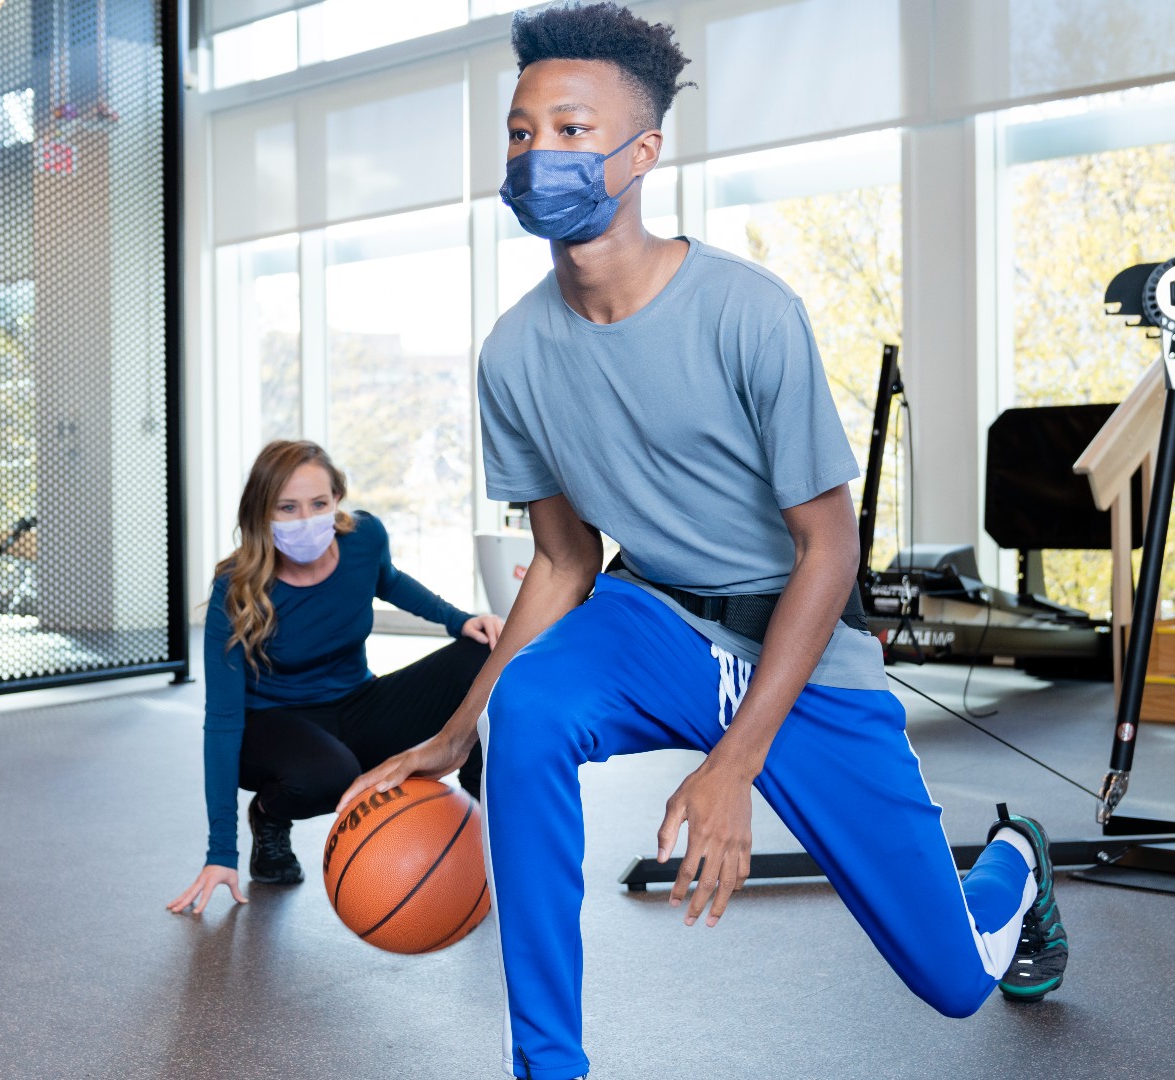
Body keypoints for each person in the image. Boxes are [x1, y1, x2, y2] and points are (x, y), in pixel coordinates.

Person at [336, 5, 1070, 1078]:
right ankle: (550, 1066)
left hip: (799, 647)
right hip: (657, 618)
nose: (540, 152)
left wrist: (736, 764)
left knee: (956, 982)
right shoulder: (513, 357)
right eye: (520, 130)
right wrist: (460, 730)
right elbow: (564, 561)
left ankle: (1014, 865)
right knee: (528, 708)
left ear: (643, 152)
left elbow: (830, 550)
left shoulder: (748, 314)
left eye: (574, 130)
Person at [168, 440, 503, 915]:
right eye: (287, 507)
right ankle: (268, 815)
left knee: (482, 654)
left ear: (337, 501)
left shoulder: (363, 538)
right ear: (261, 514)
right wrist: (221, 851)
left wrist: (458, 620)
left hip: (355, 704)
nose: (306, 519)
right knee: (332, 777)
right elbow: (221, 723)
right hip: (272, 727)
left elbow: (388, 580)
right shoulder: (236, 589)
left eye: (318, 504)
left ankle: (488, 816)